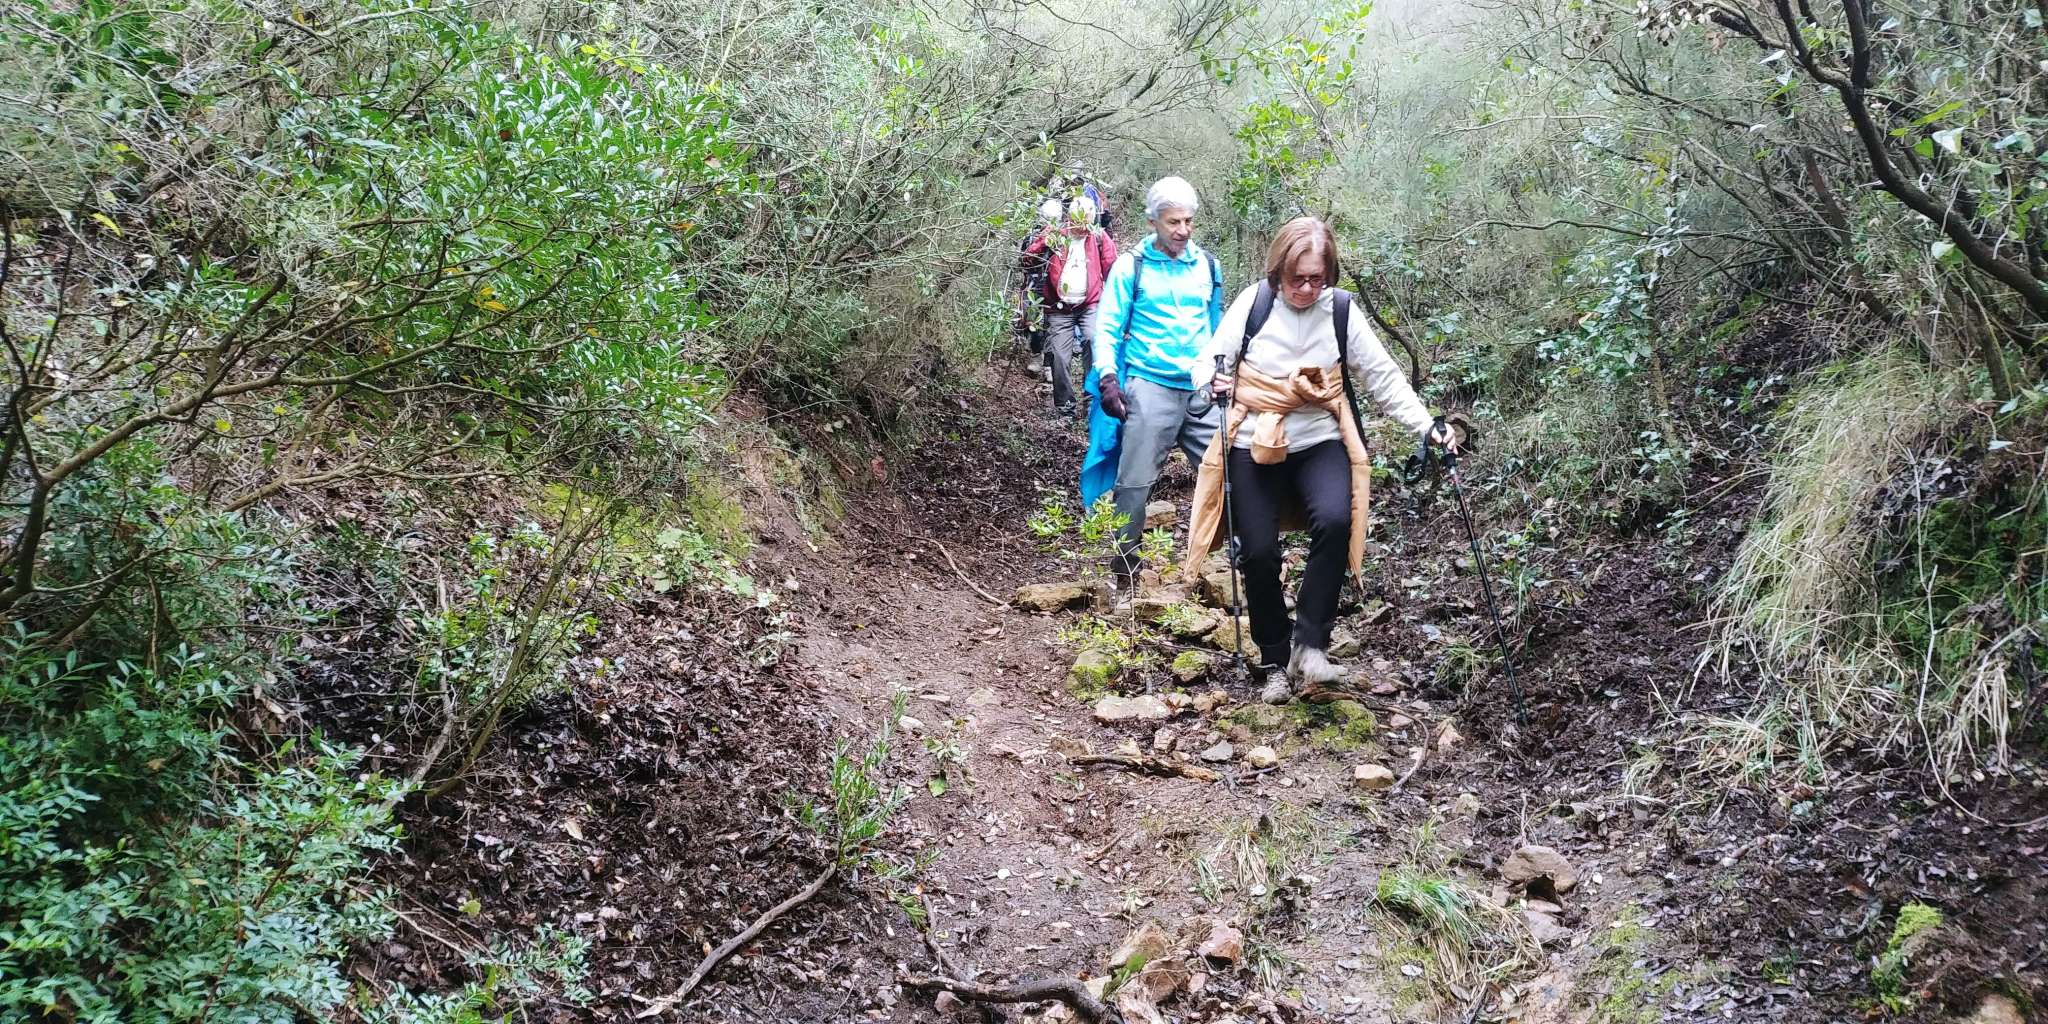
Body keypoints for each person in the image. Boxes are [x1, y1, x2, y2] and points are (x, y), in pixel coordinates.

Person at [1182, 216, 1457, 704]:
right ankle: (1274, 659)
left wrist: (1426, 426)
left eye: (1318, 278)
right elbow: (1207, 362)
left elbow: (1383, 377)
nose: (1308, 289)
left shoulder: (1341, 311)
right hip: (1253, 441)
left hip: (1320, 439)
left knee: (1335, 520)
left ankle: (1310, 646)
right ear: (1278, 272)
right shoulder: (1254, 304)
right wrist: (1212, 382)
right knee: (1258, 552)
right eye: (1298, 279)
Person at [1083, 176, 1226, 584]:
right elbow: (1107, 327)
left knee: (1230, 473)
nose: (1183, 230)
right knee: (1133, 485)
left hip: (1201, 389)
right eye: (1173, 222)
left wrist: (1222, 370)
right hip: (1149, 385)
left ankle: (1237, 563)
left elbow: (1217, 326)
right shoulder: (1132, 266)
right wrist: (1108, 377)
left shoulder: (1208, 265)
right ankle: (1126, 576)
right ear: (1153, 222)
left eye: (1188, 221)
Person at [1021, 195, 1117, 415]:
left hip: (1090, 304)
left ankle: (1091, 399)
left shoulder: (1099, 237)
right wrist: (1044, 242)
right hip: (1059, 307)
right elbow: (1027, 259)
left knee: (1094, 342)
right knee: (1059, 355)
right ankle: (1065, 407)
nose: (1083, 228)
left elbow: (1113, 270)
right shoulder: (1056, 234)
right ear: (1070, 218)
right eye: (1078, 222)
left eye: (1087, 223)